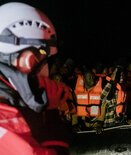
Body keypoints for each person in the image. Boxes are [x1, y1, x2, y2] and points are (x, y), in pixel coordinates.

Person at [0, 2, 73, 154]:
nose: (47, 72)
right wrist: (52, 111)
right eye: (45, 59)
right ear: (30, 60)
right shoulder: (5, 120)